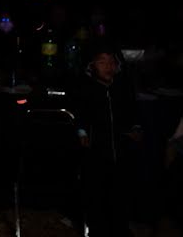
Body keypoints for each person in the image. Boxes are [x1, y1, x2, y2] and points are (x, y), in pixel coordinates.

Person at [72, 39, 142, 237]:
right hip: (96, 152)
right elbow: (79, 114)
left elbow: (133, 113)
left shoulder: (122, 89)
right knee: (96, 195)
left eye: (111, 62)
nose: (108, 66)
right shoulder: (86, 88)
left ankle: (120, 227)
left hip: (121, 153)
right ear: (92, 65)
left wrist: (136, 128)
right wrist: (82, 133)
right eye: (102, 62)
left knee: (120, 194)